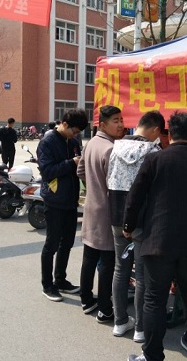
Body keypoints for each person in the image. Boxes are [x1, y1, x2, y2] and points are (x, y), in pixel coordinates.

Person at [124, 111, 187, 361]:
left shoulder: (156, 159)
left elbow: (135, 197)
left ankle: (153, 355)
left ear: (170, 132)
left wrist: (128, 225)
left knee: (154, 299)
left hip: (158, 239)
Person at [107, 110, 165, 341]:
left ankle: (119, 321)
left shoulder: (116, 148)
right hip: (142, 219)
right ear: (155, 129)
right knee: (141, 274)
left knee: (120, 269)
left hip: (117, 214)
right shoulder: (154, 152)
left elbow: (109, 179)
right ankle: (140, 328)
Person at [77, 105, 125, 321]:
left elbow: (80, 170)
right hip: (106, 211)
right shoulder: (111, 149)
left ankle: (86, 300)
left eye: (121, 120)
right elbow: (115, 186)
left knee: (89, 257)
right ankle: (105, 308)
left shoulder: (91, 144)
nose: (121, 124)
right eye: (116, 121)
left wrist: (93, 187)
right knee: (107, 261)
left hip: (91, 207)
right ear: (103, 125)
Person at [38, 109, 88, 302]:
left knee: (67, 242)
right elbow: (47, 172)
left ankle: (60, 280)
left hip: (70, 200)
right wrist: (71, 163)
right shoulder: (47, 142)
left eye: (78, 133)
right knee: (51, 244)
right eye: (74, 131)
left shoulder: (73, 142)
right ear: (65, 124)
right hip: (54, 200)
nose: (75, 135)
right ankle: (47, 285)